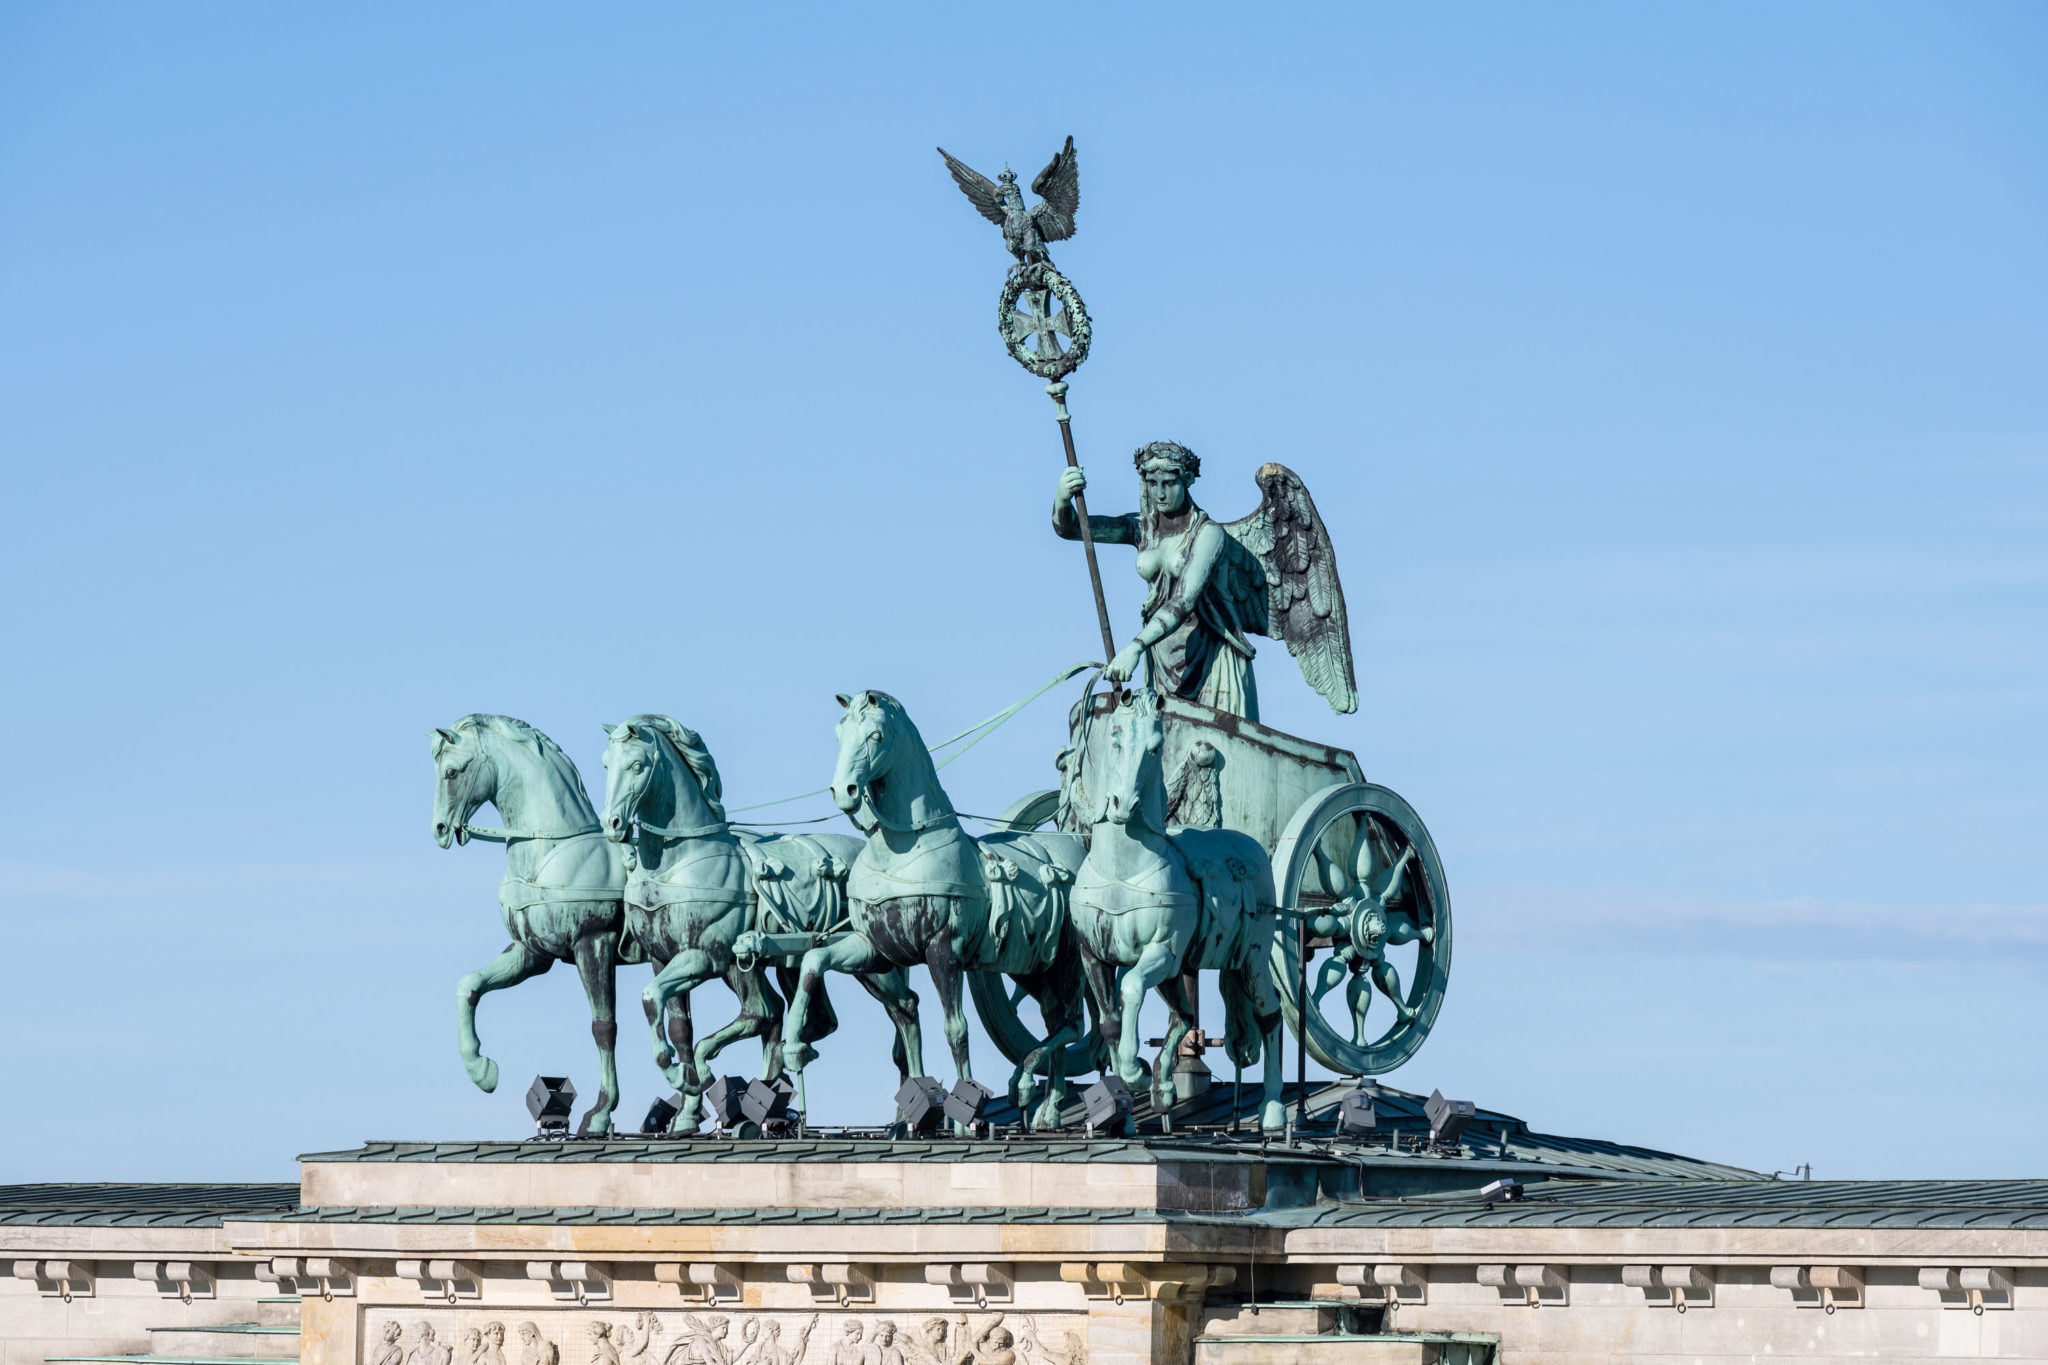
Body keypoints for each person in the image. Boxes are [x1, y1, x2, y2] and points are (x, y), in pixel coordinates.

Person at [1055, 443, 1261, 719]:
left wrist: (1135, 647)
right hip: (1161, 654)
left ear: (1187, 480)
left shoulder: (1208, 534)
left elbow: (1183, 600)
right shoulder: (1141, 528)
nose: (1160, 493)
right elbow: (1073, 529)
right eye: (1152, 483)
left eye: (1169, 483)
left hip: (1211, 658)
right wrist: (1063, 498)